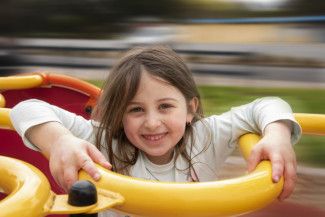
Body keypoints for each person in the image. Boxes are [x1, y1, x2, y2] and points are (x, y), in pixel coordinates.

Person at [10, 46, 301, 215]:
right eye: (135, 109)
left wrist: (277, 134)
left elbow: (268, 103)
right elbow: (27, 108)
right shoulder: (102, 140)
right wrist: (60, 140)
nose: (151, 123)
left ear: (190, 109)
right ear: (119, 114)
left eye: (165, 107)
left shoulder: (206, 135)